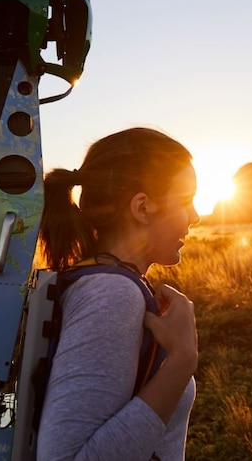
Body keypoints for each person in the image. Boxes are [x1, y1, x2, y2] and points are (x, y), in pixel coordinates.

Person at [36, 127, 200, 461]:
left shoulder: (109, 284)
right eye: (185, 201)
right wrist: (183, 358)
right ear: (142, 208)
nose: (195, 217)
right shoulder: (112, 294)